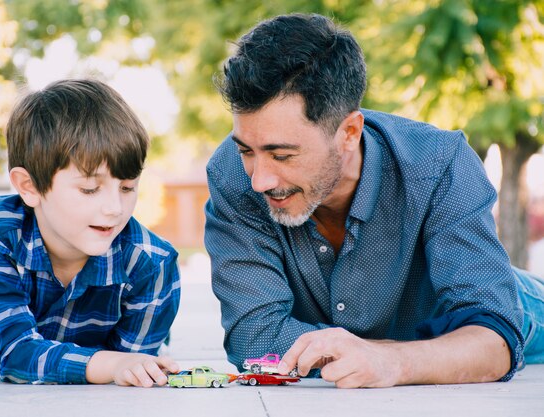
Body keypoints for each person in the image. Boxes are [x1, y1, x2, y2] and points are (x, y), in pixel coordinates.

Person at [204, 13, 544, 388]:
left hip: (510, 303)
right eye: (246, 151)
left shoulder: (440, 164)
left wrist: (391, 360)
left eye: (282, 155)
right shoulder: (231, 176)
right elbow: (254, 337)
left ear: (349, 132)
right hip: (428, 339)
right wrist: (376, 355)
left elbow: (492, 338)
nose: (258, 180)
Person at [0, 79, 181, 387]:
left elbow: (132, 366)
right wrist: (109, 364)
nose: (114, 208)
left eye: (127, 187)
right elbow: (12, 352)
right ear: (29, 187)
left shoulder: (152, 263)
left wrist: (127, 367)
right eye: (90, 188)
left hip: (78, 361)